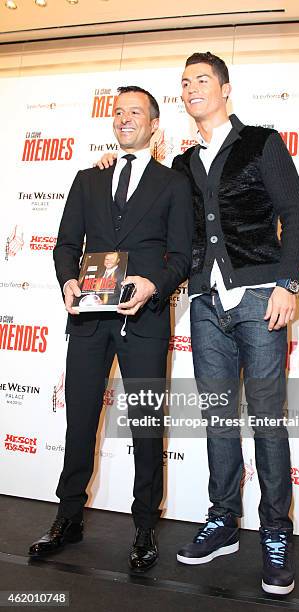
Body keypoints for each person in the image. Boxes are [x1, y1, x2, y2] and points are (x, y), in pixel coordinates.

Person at [96, 53, 299, 595]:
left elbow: (298, 217)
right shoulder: (186, 164)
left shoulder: (261, 142)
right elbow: (153, 195)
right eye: (184, 82)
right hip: (206, 305)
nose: (192, 88)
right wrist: (112, 164)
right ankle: (223, 521)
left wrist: (288, 284)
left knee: (266, 420)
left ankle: (276, 533)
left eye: (201, 80)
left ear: (224, 87)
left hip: (262, 299)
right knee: (218, 418)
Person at [28, 85, 193, 573]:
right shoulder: (88, 179)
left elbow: (183, 256)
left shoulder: (173, 183)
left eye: (135, 112)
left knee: (145, 425)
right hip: (88, 321)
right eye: (117, 112)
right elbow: (63, 246)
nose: (124, 119)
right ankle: (68, 518)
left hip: (144, 318)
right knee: (79, 420)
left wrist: (153, 284)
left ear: (154, 124)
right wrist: (68, 281)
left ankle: (144, 527)